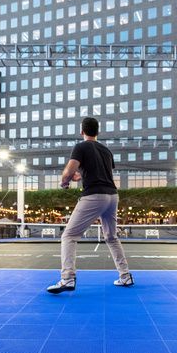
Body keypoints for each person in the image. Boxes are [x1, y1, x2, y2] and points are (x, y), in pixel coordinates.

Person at [47, 117, 133, 293]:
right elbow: (100, 171)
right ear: (97, 131)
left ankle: (67, 278)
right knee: (111, 237)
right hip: (112, 196)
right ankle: (125, 276)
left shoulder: (81, 147)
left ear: (82, 131)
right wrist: (80, 176)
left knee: (69, 236)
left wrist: (65, 181)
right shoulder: (106, 151)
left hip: (94, 195)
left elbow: (68, 171)